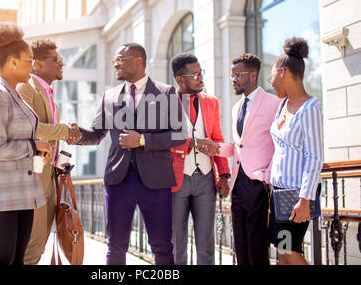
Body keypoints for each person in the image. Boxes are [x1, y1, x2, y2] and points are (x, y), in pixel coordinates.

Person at [70, 43, 186, 265]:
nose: (115, 64)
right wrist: (77, 135)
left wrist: (142, 140)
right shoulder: (109, 96)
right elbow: (96, 133)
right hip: (118, 181)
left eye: (119, 60)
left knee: (162, 247)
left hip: (156, 181)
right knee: (115, 246)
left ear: (138, 61)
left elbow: (180, 134)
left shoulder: (166, 92)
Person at [0, 22, 53, 265]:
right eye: (29, 61)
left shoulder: (16, 94)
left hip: (23, 194)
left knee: (18, 260)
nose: (33, 66)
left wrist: (38, 152)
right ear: (12, 62)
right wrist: (34, 146)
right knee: (1, 260)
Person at [16, 38, 81, 265]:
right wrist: (64, 132)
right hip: (33, 177)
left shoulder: (49, 94)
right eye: (57, 59)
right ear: (36, 64)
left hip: (51, 177)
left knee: (39, 246)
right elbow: (26, 126)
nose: (61, 64)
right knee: (31, 247)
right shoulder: (26, 88)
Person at [217, 53, 280, 265]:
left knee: (257, 247)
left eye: (238, 75)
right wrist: (215, 148)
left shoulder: (273, 103)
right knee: (241, 247)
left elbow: (280, 145)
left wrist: (267, 177)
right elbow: (239, 147)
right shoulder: (237, 108)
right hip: (237, 184)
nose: (233, 79)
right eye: (232, 75)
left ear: (253, 74)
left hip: (258, 184)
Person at [169, 53, 231, 265]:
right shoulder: (166, 103)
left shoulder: (211, 102)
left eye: (200, 72)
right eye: (194, 74)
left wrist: (223, 174)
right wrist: (190, 143)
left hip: (205, 179)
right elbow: (162, 142)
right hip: (176, 181)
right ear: (180, 79)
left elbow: (217, 138)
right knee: (177, 245)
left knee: (206, 244)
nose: (200, 77)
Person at [267, 37, 323, 265]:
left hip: (296, 195)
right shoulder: (282, 105)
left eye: (271, 77)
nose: (270, 83)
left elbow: (314, 156)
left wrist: (305, 199)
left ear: (282, 72)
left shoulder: (310, 108)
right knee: (282, 250)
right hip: (278, 192)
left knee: (289, 250)